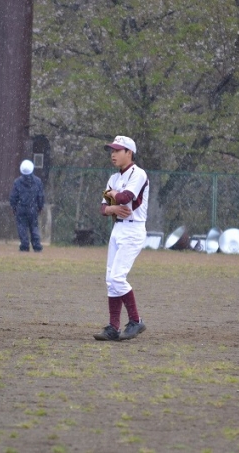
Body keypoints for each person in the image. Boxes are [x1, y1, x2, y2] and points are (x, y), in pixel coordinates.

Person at [94, 135, 149, 341]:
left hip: (134, 229)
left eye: (118, 150)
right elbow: (103, 208)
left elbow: (126, 197)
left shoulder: (138, 174)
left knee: (118, 277)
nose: (113, 154)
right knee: (111, 280)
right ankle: (113, 327)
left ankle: (136, 320)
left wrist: (113, 196)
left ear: (129, 153)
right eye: (112, 150)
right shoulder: (114, 178)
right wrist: (113, 207)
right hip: (118, 229)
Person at [9, 159, 44, 252]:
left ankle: (24, 245)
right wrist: (40, 207)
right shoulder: (38, 181)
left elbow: (13, 197)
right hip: (33, 208)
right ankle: (37, 246)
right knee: (34, 227)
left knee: (22, 227)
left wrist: (13, 207)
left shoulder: (17, 182)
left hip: (21, 208)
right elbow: (40, 196)